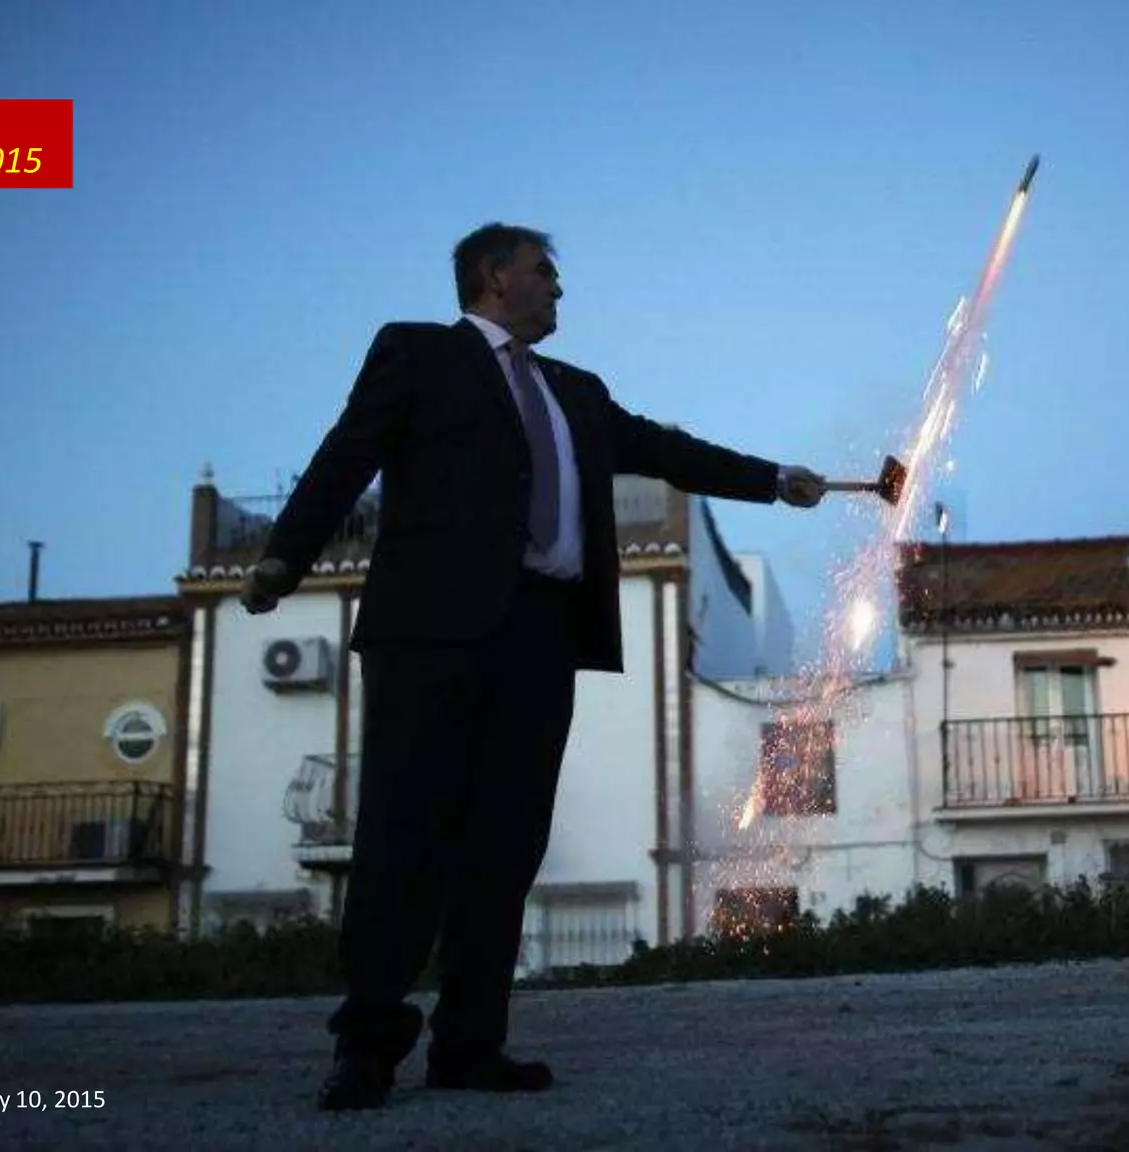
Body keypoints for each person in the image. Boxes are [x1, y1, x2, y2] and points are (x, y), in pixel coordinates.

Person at [241, 223, 827, 1111]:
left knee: (505, 845)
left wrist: (775, 479)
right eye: (544, 272)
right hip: (431, 635)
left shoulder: (578, 393)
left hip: (541, 638)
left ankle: (470, 1045)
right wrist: (285, 557)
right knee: (405, 833)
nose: (558, 290)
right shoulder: (417, 354)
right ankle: (367, 1046)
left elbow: (668, 451)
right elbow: (346, 452)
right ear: (493, 275)